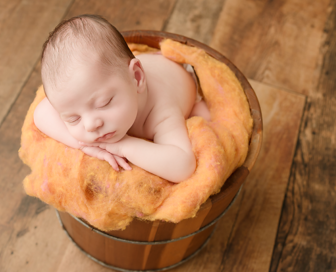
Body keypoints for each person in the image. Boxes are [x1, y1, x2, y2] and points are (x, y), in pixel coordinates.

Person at [33, 14, 210, 183]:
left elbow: (183, 166)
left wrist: (124, 146)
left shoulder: (160, 112)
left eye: (104, 103)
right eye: (73, 118)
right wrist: (84, 145)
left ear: (137, 78)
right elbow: (40, 113)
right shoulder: (85, 93)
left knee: (204, 121)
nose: (90, 125)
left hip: (181, 79)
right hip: (127, 72)